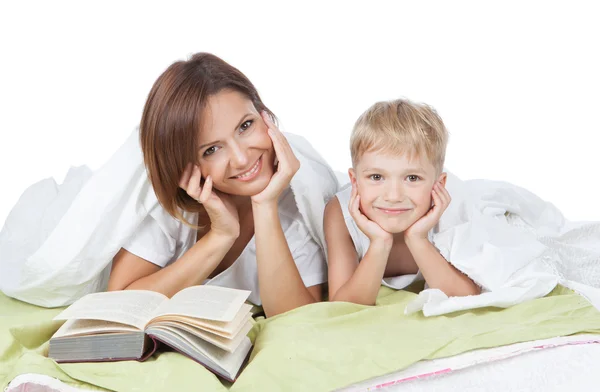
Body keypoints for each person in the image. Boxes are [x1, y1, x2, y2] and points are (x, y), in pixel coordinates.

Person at [0, 53, 338, 317]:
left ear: (263, 113)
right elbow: (116, 300)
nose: (240, 158)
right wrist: (220, 236)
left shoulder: (298, 196)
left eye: (246, 125)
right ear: (189, 163)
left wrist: (264, 206)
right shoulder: (169, 200)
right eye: (212, 149)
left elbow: (296, 316)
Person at [324, 99, 480, 306]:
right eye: (377, 177)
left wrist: (418, 238)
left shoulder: (448, 207)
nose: (393, 196)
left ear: (438, 184)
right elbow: (343, 305)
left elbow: (467, 296)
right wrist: (380, 243)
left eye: (412, 178)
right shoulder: (339, 213)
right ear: (354, 181)